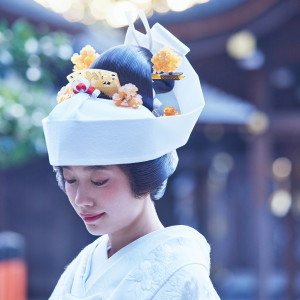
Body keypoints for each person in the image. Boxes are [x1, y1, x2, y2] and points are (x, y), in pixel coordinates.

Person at [42, 12, 220, 300]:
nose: (80, 199)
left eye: (99, 180)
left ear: (144, 176)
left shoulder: (183, 275)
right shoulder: (81, 267)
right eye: (70, 179)